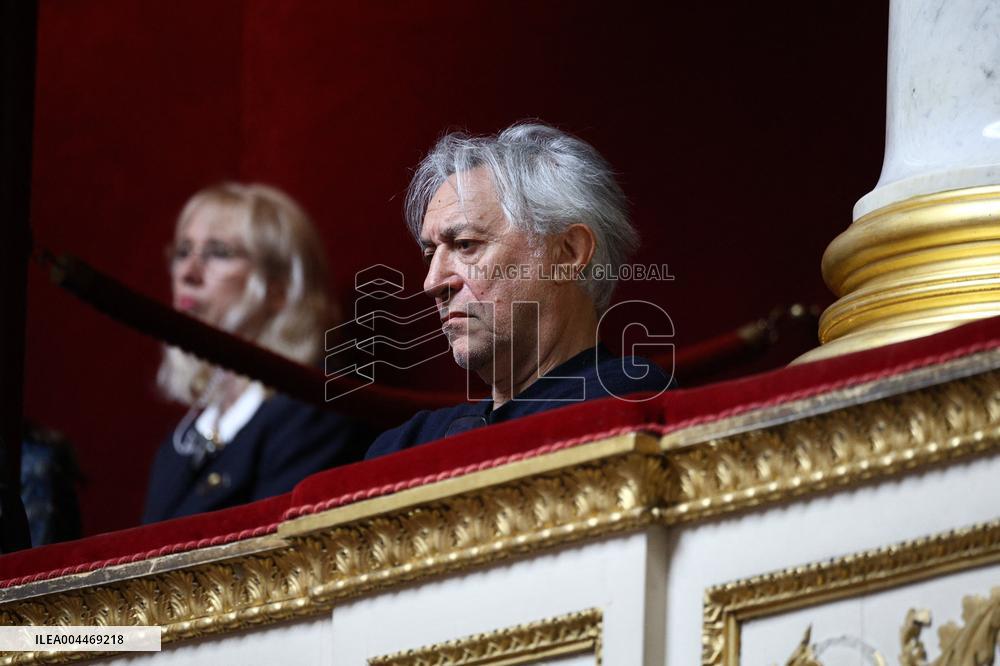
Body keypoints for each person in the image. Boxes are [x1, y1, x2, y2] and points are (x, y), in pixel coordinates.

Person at [366, 122, 672, 459]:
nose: (432, 283)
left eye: (466, 245)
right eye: (430, 254)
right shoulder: (404, 444)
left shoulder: (626, 404)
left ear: (567, 253)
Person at [143, 183, 374, 523]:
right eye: (182, 251)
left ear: (280, 289)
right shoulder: (184, 439)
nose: (187, 274)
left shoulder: (314, 414)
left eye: (218, 252)